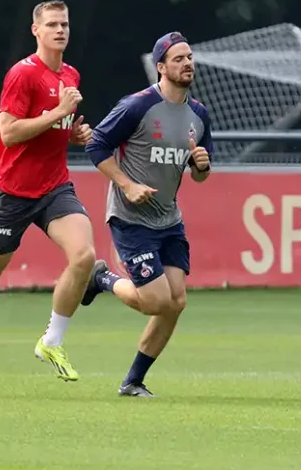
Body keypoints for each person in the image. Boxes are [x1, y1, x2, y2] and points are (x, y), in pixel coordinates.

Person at [0, 0, 108, 396]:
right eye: (51, 24)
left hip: (54, 188)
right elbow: (10, 133)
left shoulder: (70, 74)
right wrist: (58, 113)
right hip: (12, 193)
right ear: (36, 31)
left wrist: (75, 133)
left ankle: (51, 342)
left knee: (83, 257)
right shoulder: (22, 75)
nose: (60, 30)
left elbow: (57, 128)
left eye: (64, 23)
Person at [82, 31, 214, 397]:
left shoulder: (199, 115)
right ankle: (101, 279)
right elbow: (96, 146)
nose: (187, 63)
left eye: (189, 57)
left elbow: (200, 176)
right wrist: (127, 185)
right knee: (156, 301)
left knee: (176, 303)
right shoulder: (137, 106)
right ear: (161, 67)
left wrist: (201, 166)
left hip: (169, 220)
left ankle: (133, 382)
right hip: (131, 217)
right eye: (178, 59)